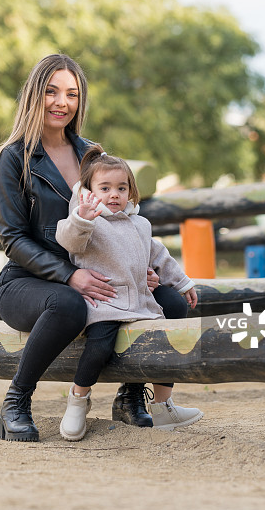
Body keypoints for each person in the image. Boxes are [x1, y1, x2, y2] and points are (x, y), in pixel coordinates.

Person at [0, 53, 189, 442]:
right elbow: (13, 239)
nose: (61, 102)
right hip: (29, 282)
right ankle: (16, 401)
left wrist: (135, 266)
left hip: (98, 277)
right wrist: (70, 275)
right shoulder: (13, 158)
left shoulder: (92, 155)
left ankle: (131, 397)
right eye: (51, 91)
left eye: (71, 94)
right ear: (35, 95)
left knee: (172, 302)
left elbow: (123, 222)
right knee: (68, 304)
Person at [55, 145, 204, 440]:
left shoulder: (140, 223)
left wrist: (183, 283)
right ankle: (78, 399)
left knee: (166, 337)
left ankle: (163, 406)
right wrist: (81, 216)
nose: (114, 195)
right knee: (99, 347)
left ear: (131, 191)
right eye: (105, 188)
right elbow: (68, 240)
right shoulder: (88, 223)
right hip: (105, 303)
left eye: (121, 188)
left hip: (140, 302)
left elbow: (159, 256)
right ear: (88, 191)